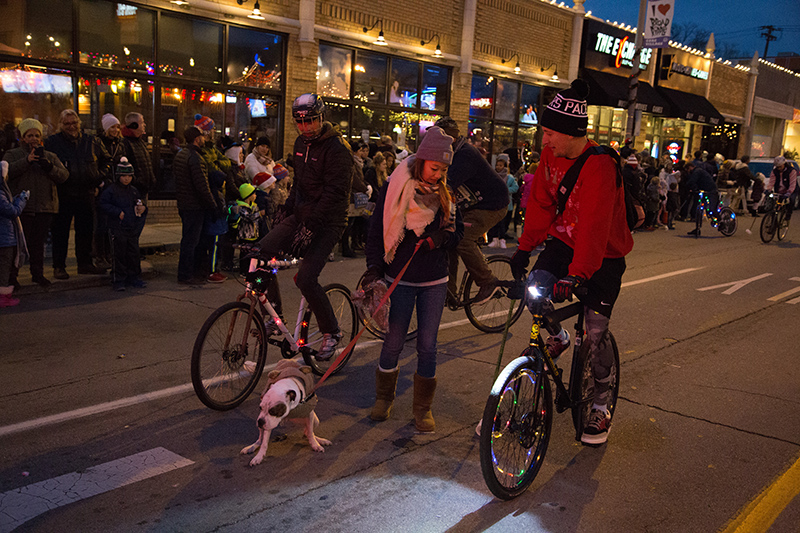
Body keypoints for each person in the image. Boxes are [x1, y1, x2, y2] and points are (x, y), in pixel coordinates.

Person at [509, 79, 633, 445]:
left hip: (604, 255)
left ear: (570, 133)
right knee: (535, 293)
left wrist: (579, 275)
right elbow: (541, 205)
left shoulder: (600, 165)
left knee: (595, 332)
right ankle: (559, 335)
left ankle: (600, 403)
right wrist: (524, 248)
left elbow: (595, 226)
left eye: (549, 133)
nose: (543, 141)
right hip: (564, 243)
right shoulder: (551, 156)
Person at [362, 126, 464, 432]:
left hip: (434, 278)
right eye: (435, 168)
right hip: (400, 277)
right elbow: (376, 231)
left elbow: (457, 233)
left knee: (428, 345)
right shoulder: (396, 188)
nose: (439, 175)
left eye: (444, 169)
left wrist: (437, 240)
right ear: (421, 161)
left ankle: (423, 408)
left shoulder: (447, 193)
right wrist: (373, 268)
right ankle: (384, 398)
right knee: (393, 340)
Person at [256, 94, 353, 360]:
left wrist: (310, 226)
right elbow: (299, 184)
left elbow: (335, 194)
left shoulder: (337, 149)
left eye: (311, 121)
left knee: (306, 278)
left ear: (322, 118)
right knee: (260, 253)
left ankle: (331, 331)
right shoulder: (301, 143)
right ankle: (272, 316)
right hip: (303, 214)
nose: (306, 128)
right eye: (300, 123)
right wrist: (287, 209)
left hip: (330, 221)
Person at [433, 116, 510, 306]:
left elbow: (445, 184)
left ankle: (487, 281)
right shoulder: (448, 152)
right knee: (449, 238)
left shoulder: (465, 155)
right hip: (471, 205)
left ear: (451, 138)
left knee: (463, 239)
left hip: (492, 204)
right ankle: (448, 291)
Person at [45, 109, 112, 278]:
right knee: (60, 232)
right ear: (61, 125)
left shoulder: (92, 141)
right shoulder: (52, 142)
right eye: (67, 124)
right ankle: (59, 266)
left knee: (85, 230)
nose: (71, 126)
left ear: (79, 123)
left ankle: (85, 263)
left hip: (86, 192)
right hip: (63, 193)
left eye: (74, 123)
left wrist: (99, 179)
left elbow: (107, 160)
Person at [2, 118, 68, 288]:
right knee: (18, 245)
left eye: (36, 135)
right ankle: (12, 277)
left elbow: (64, 175)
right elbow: (6, 173)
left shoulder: (50, 155)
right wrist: (27, 161)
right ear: (23, 137)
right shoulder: (13, 154)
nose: (33, 138)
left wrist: (49, 166)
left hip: (44, 207)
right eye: (29, 135)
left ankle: (37, 274)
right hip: (22, 207)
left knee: (38, 245)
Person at [174, 126, 218, 285]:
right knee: (192, 241)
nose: (204, 138)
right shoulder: (195, 158)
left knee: (188, 239)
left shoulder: (182, 155)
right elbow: (202, 186)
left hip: (185, 204)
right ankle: (186, 274)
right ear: (196, 138)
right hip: (194, 206)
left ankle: (187, 271)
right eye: (202, 136)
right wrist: (212, 206)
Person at [98, 157, 147, 291]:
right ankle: (118, 280)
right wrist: (116, 211)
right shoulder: (111, 190)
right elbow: (103, 203)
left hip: (131, 227)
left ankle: (134, 278)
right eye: (124, 176)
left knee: (133, 254)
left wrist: (143, 208)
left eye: (129, 176)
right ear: (119, 176)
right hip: (117, 227)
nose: (126, 179)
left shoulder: (134, 190)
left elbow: (139, 204)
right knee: (119, 254)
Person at [96, 113, 124, 269]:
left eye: (117, 126)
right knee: (102, 224)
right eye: (112, 127)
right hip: (104, 187)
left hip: (116, 187)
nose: (115, 129)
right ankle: (101, 255)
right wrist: (100, 181)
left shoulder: (120, 144)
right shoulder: (99, 143)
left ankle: (110, 255)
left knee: (114, 224)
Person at [0, 160, 28, 307]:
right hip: (5, 238)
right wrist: (22, 200)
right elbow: (13, 211)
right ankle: (3, 297)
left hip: (5, 237)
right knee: (5, 267)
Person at [121, 112, 156, 205]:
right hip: (134, 190)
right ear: (134, 125)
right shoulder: (125, 143)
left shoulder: (140, 142)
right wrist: (136, 182)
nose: (144, 125)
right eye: (142, 122)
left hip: (143, 188)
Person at [487, 153, 519, 248]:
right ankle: (495, 239)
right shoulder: (494, 176)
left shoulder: (509, 177)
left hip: (505, 203)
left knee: (503, 222)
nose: (498, 167)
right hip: (495, 202)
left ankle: (502, 239)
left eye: (500, 165)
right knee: (495, 222)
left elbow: (515, 188)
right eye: (497, 165)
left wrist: (505, 191)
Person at [684, 160, 718, 236]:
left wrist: (690, 187)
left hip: (711, 191)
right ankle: (697, 228)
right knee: (699, 210)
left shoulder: (697, 172)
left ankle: (720, 221)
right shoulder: (697, 171)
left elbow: (692, 181)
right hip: (705, 191)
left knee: (711, 208)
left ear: (690, 167)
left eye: (688, 170)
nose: (688, 172)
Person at [767, 156, 797, 220]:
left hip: (790, 190)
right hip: (779, 190)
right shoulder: (774, 171)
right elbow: (771, 181)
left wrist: (789, 192)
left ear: (784, 164)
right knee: (774, 205)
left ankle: (788, 215)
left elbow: (792, 183)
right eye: (777, 167)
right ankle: (773, 221)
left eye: (780, 166)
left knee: (792, 200)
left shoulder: (791, 171)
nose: (779, 168)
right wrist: (768, 189)